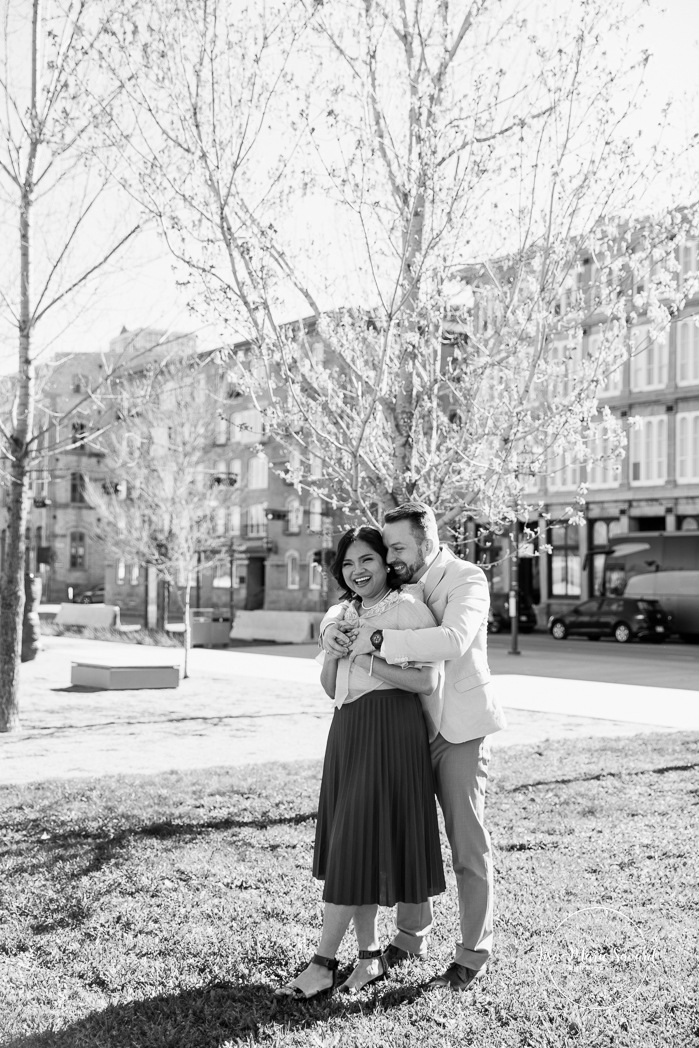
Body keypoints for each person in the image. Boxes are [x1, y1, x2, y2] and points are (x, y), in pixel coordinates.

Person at [322, 502, 507, 992]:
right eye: (389, 548)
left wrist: (376, 640)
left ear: (428, 540)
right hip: (406, 731)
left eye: (398, 547)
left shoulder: (466, 578)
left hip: (459, 729)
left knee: (467, 845)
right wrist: (331, 630)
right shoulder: (401, 586)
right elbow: (349, 605)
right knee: (407, 830)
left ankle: (472, 953)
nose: (391, 555)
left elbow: (452, 639)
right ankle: (410, 935)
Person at [275, 525, 446, 1000]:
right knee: (360, 846)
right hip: (348, 730)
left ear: (385, 562)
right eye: (348, 564)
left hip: (390, 731)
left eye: (366, 559)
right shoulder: (346, 612)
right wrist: (333, 653)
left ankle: (323, 962)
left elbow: (425, 682)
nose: (358, 571)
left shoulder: (408, 609)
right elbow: (332, 687)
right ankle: (369, 957)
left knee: (353, 844)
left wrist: (367, 659)